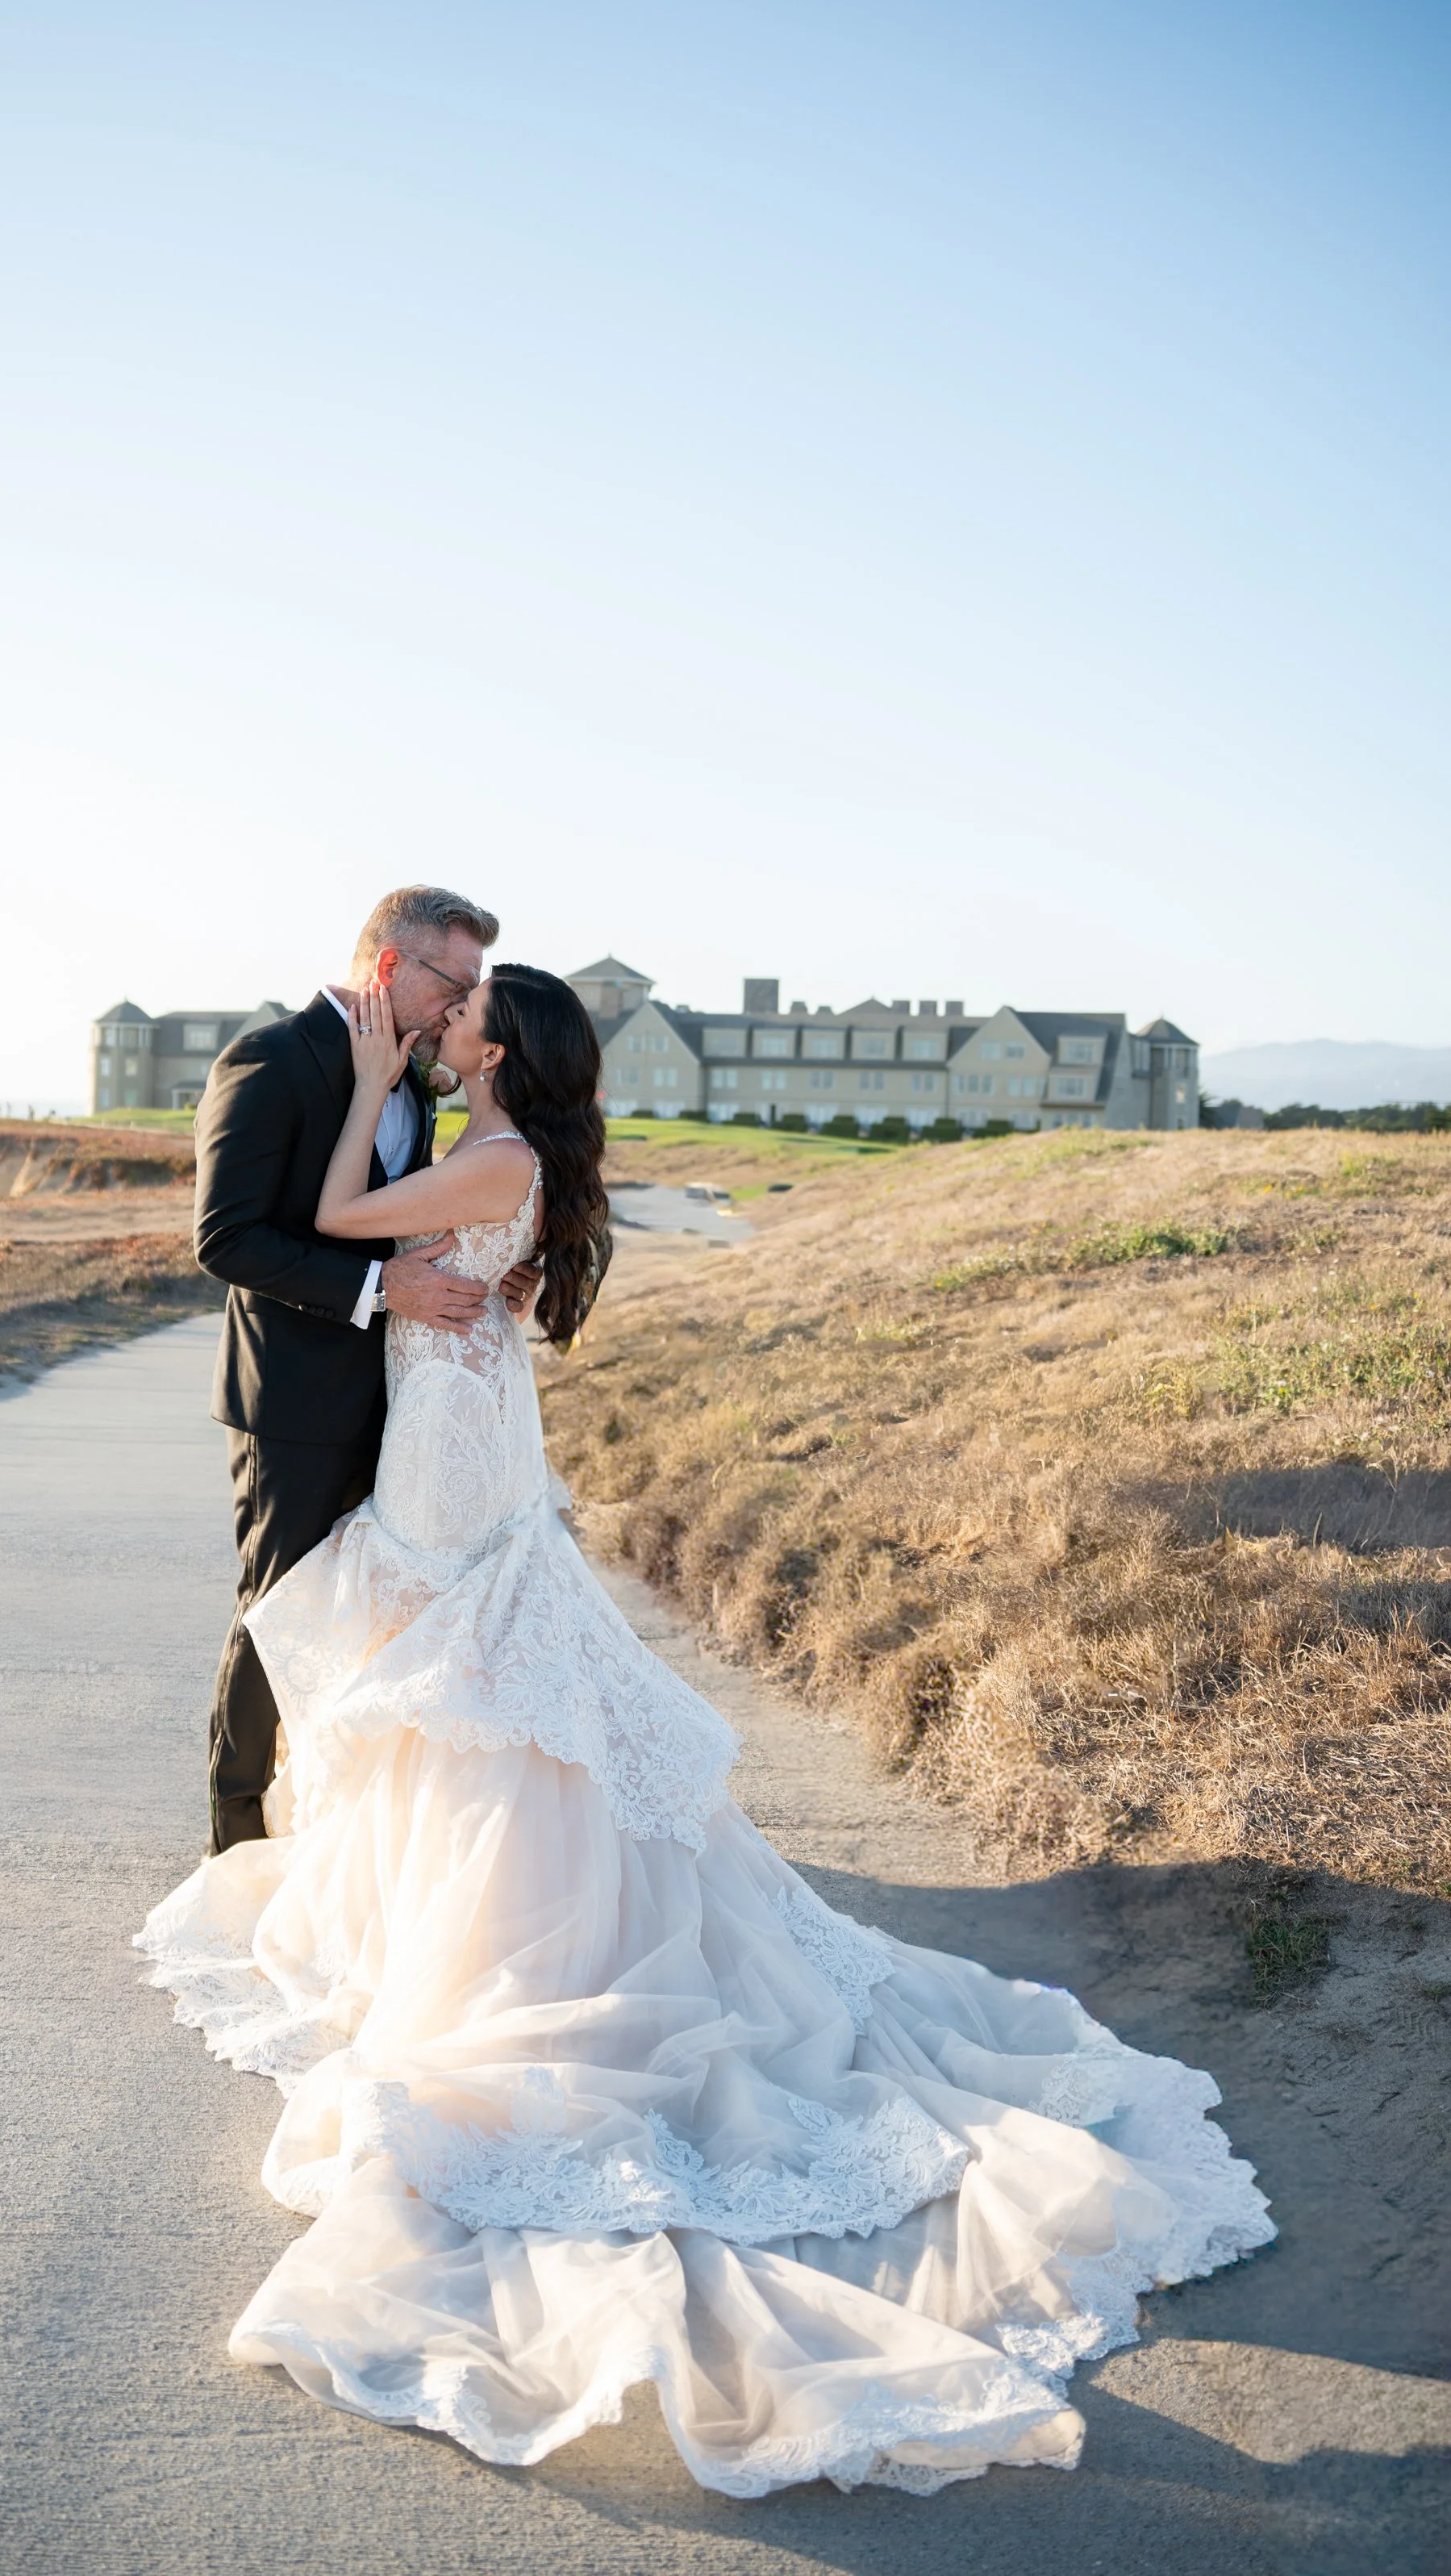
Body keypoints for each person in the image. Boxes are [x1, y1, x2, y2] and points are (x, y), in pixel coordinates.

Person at [139, 960, 1274, 2497]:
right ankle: (451, 1900)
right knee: (459, 1673)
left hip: (453, 1443)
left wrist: (367, 1094)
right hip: (462, 1417)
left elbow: (339, 1214)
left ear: (498, 1049)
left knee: (462, 1679)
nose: (448, 1019)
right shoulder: (504, 1149)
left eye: (468, 1012)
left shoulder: (488, 1152)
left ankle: (500, 1921)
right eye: (447, 998)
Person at [192, 886, 540, 1853]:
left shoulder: (415, 1076)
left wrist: (491, 1265)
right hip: (294, 1402)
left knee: (368, 1622)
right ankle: (234, 1839)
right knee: (280, 1612)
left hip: (403, 1399)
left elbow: (412, 1212)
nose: (462, 1004)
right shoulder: (269, 1059)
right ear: (391, 966)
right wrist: (382, 1288)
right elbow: (225, 1237)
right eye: (454, 982)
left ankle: (339, 1830)